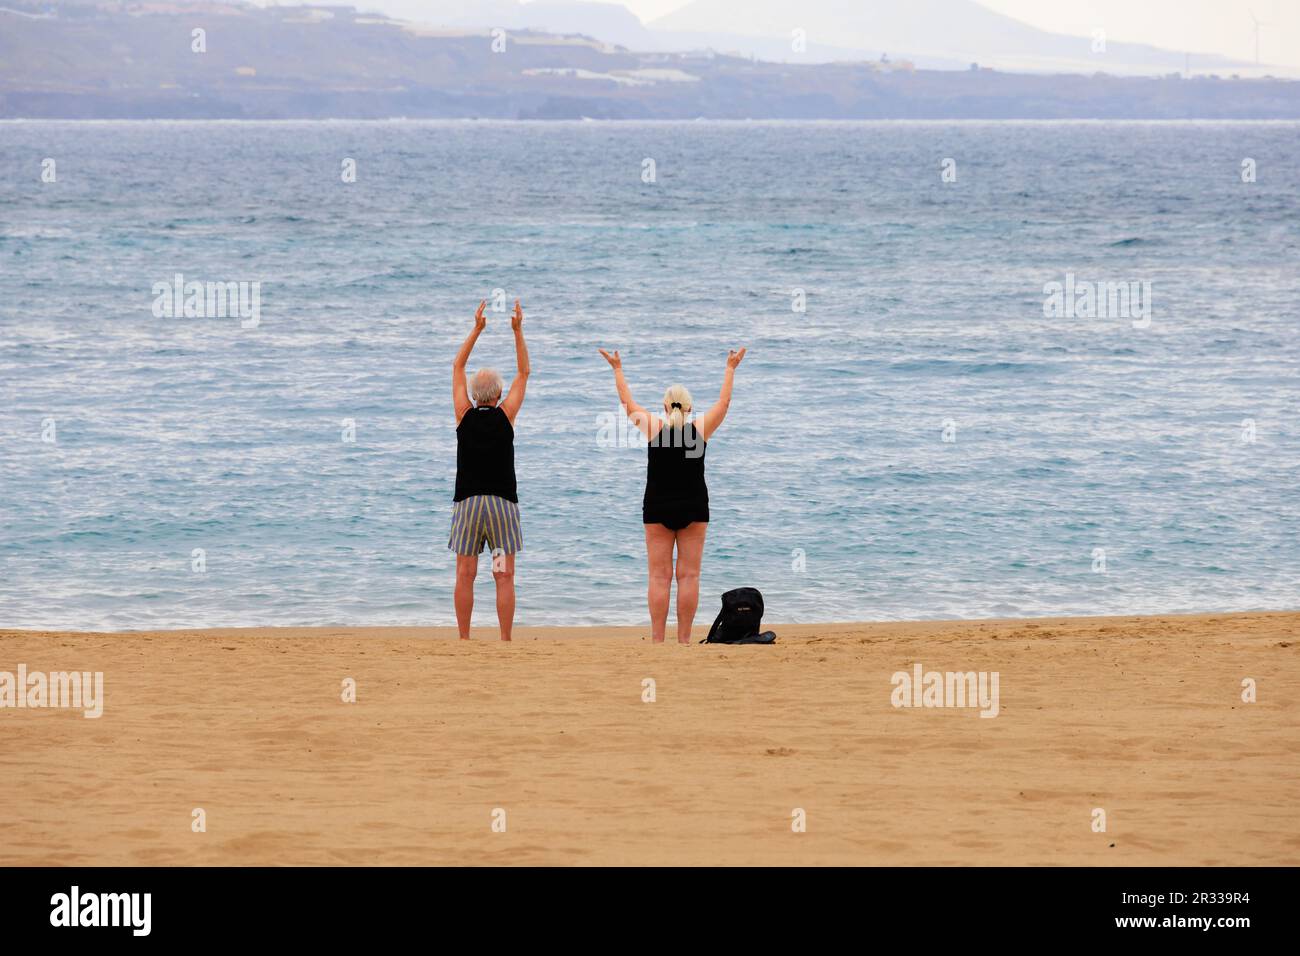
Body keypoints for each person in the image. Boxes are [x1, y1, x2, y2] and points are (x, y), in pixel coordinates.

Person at [597, 346, 746, 644]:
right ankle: (685, 640)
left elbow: (627, 404)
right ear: (689, 408)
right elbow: (725, 403)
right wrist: (730, 368)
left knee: (659, 576)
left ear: (665, 408)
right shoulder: (698, 431)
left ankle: (657, 640)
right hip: (694, 507)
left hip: (657, 507)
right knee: (688, 576)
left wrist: (617, 369)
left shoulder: (654, 429)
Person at [450, 299, 530, 640]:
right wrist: (517, 331)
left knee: (466, 573)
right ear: (498, 395)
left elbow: (456, 367)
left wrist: (477, 329)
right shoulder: (506, 415)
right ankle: (505, 639)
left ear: (473, 393)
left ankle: (465, 638)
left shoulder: (463, 415)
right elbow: (524, 373)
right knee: (503, 574)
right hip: (501, 505)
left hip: (468, 504)